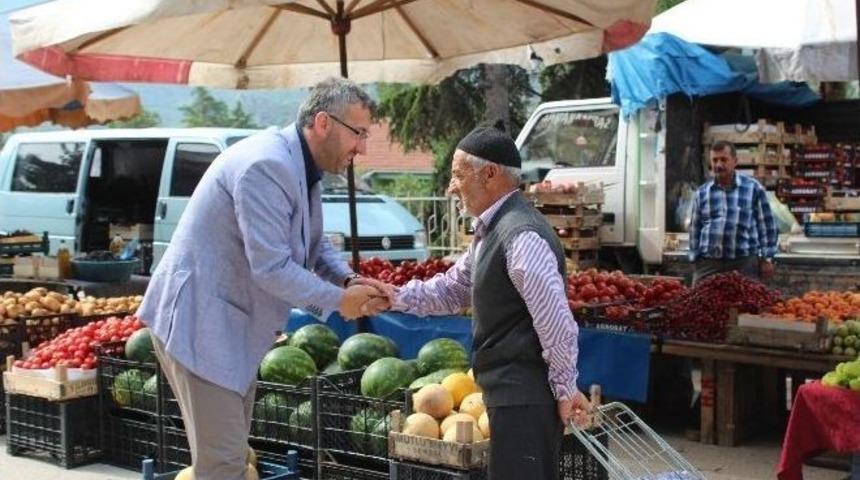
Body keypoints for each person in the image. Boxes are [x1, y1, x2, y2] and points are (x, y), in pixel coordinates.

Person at [137, 78, 388, 480]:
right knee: (223, 465)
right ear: (324, 122)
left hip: (229, 327)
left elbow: (314, 246)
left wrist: (348, 281)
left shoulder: (303, 167)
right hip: (201, 324)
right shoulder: (267, 165)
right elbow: (271, 267)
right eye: (358, 133)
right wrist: (341, 302)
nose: (362, 148)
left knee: (229, 459)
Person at [362, 122, 590, 480]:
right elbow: (453, 288)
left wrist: (565, 388)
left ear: (490, 174)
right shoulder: (491, 231)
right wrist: (395, 296)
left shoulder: (521, 236)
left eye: (458, 175)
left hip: (525, 398)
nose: (451, 186)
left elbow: (556, 322)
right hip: (508, 396)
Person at [689, 140, 778, 285]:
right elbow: (695, 227)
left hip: (744, 263)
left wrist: (767, 258)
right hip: (708, 263)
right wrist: (694, 257)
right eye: (715, 160)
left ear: (735, 161)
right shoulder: (702, 192)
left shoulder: (753, 188)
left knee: (748, 305)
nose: (718, 165)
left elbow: (767, 226)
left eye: (724, 159)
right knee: (699, 303)